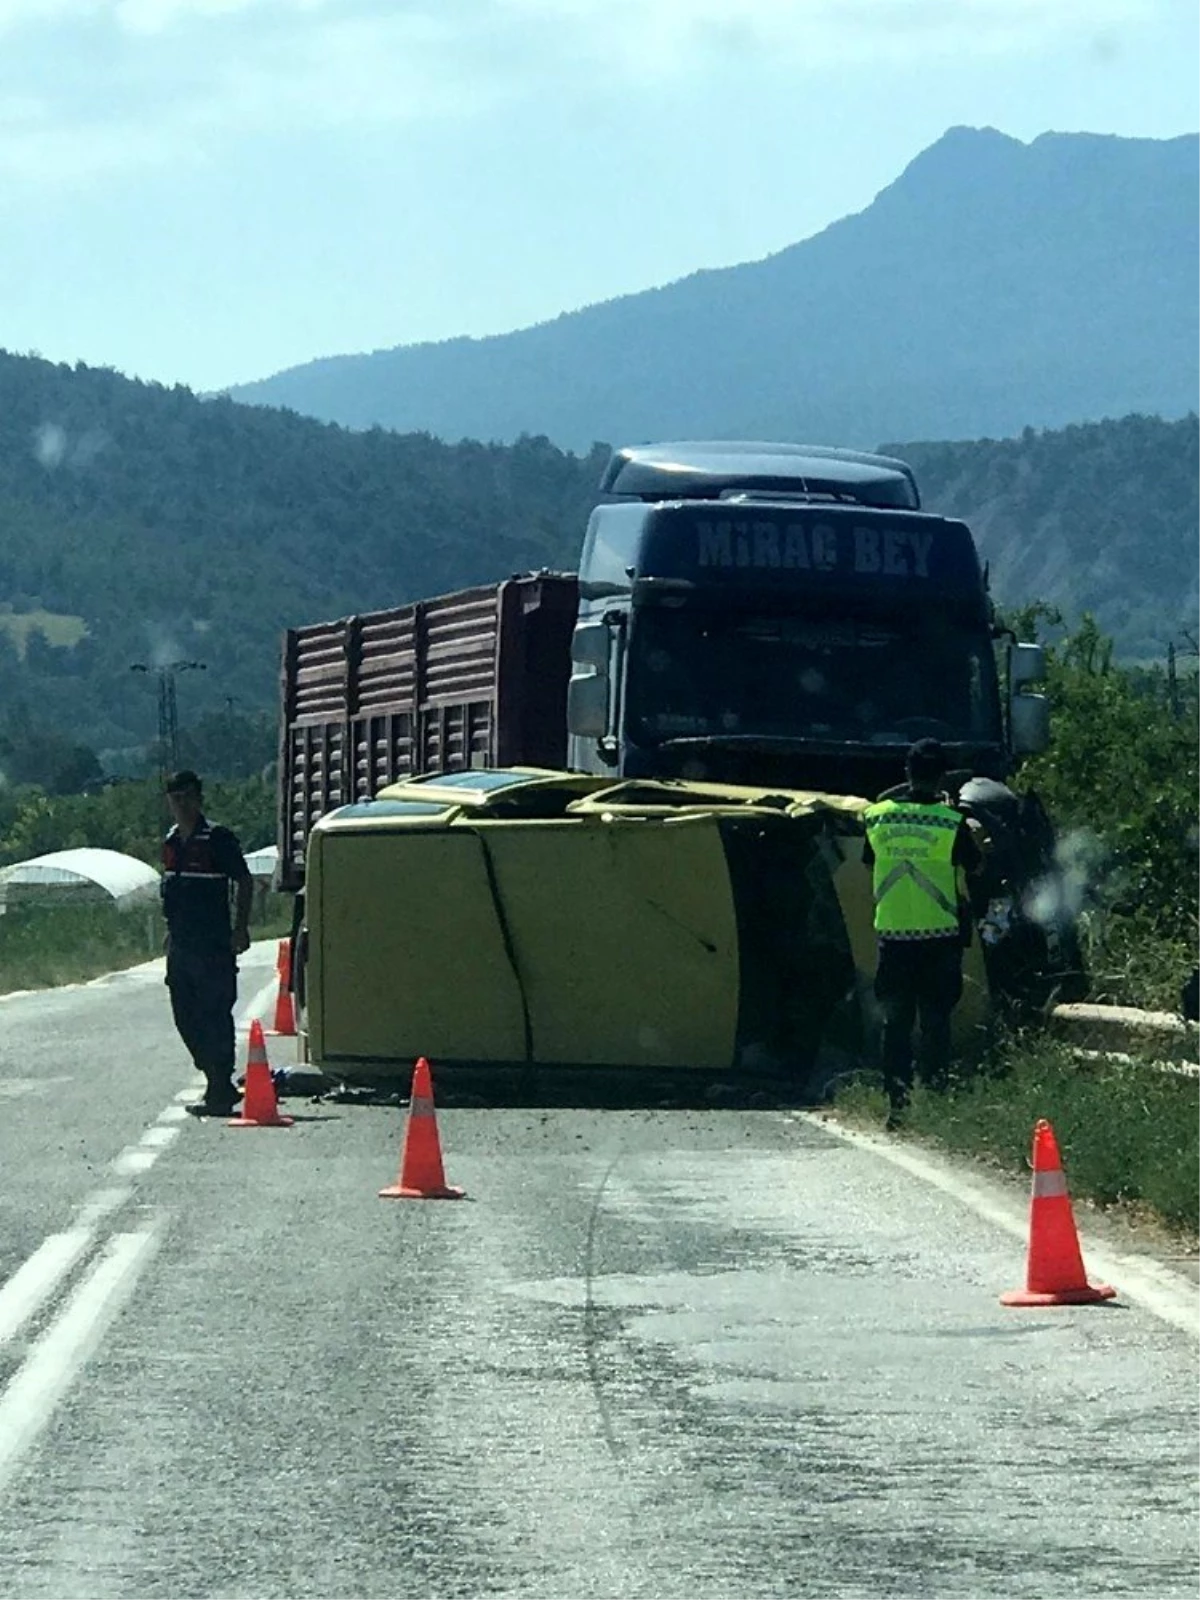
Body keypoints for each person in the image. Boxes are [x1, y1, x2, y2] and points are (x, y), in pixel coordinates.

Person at [862, 739, 984, 1129]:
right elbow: (976, 867)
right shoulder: (952, 823)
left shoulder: (878, 817)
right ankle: (934, 1101)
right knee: (935, 1021)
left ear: (907, 772)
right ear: (942, 776)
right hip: (940, 938)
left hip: (894, 938)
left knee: (895, 1023)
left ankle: (896, 1107)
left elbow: (869, 861)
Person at [160, 770, 253, 1117]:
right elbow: (172, 890)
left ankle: (219, 1084)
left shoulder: (217, 838)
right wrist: (170, 931)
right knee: (185, 1015)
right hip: (182, 945)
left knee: (215, 1012)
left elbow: (243, 881)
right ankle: (213, 1074)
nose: (180, 805)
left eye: (186, 797)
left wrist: (240, 928)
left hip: (213, 943)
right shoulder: (171, 842)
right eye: (174, 798)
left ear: (198, 799)